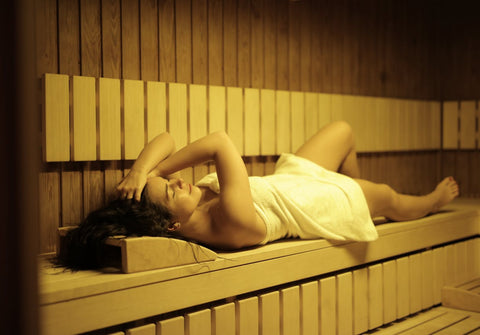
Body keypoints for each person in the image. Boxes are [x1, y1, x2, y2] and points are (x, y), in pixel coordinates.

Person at [58, 121, 459, 269]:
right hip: (313, 203)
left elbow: (166, 139)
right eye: (171, 191)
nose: (181, 181)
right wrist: (153, 174)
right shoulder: (227, 221)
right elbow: (219, 141)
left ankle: (360, 190)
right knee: (389, 196)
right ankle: (424, 202)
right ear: (171, 225)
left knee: (344, 131)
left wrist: (142, 172)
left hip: (286, 183)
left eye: (172, 179)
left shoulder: (189, 209)